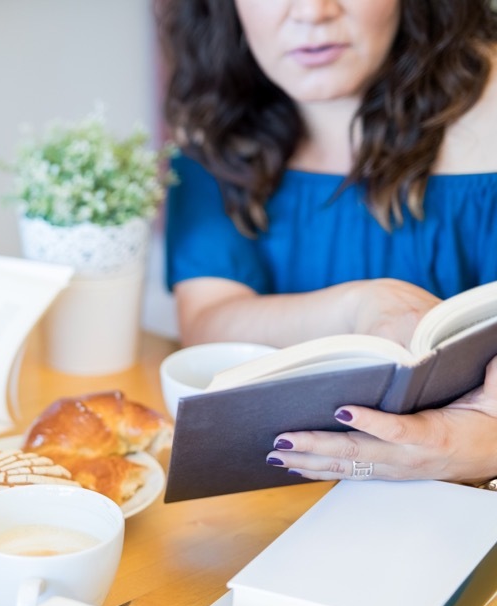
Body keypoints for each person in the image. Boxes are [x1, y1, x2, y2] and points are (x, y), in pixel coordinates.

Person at [157, 0, 497, 486]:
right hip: (285, 502)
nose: (314, 12)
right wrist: (360, 308)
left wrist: (487, 447)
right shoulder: (216, 123)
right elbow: (207, 326)